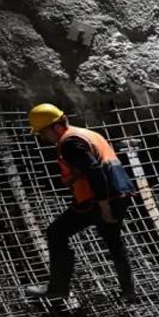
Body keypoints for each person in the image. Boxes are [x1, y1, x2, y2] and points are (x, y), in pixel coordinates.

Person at [24, 103, 137, 302]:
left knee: (56, 233)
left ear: (56, 127)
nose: (43, 138)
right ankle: (128, 293)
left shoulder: (69, 143)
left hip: (99, 199)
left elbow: (94, 171)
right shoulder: (85, 133)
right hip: (120, 193)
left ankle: (58, 288)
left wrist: (103, 206)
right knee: (114, 242)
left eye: (43, 133)